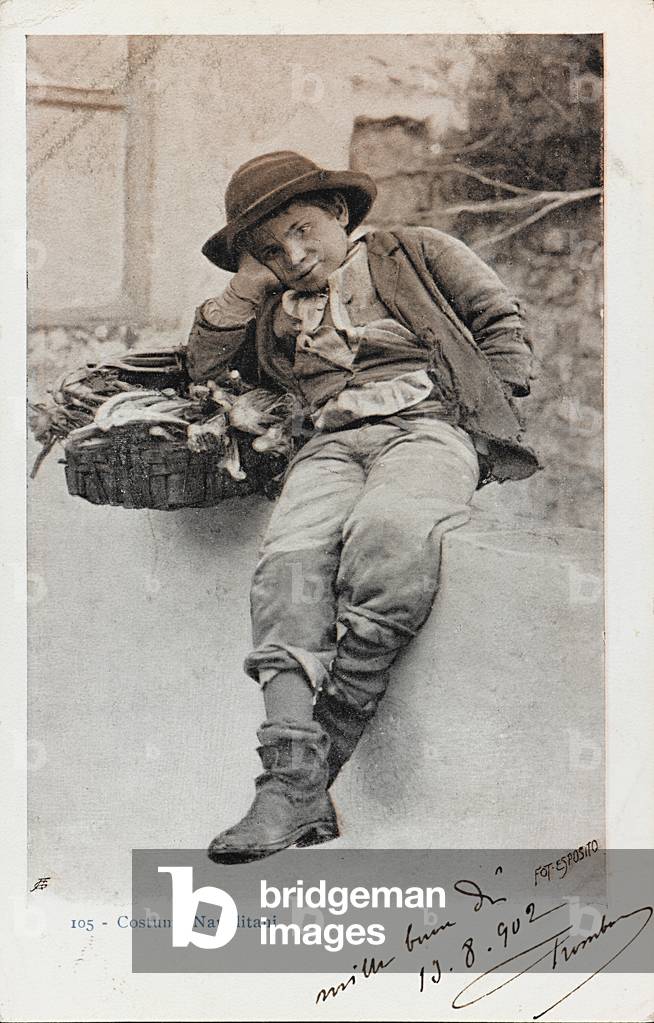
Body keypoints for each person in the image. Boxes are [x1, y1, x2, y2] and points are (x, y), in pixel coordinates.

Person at [185, 150, 539, 864]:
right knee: (287, 564)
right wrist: (248, 282)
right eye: (269, 248)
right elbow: (200, 363)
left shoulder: (412, 251)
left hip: (427, 425)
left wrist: (488, 415)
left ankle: (304, 780)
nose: (293, 254)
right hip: (330, 444)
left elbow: (499, 318)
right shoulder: (273, 306)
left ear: (338, 212)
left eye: (302, 230)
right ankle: (287, 778)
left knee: (391, 535)